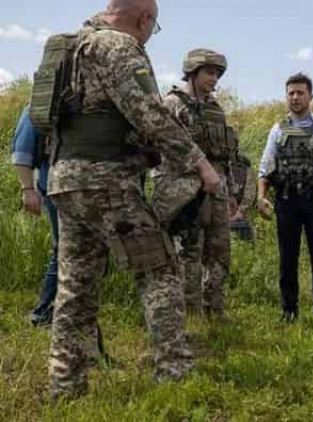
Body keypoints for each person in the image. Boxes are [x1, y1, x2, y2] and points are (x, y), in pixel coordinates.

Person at [40, 0, 221, 399]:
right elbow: (150, 115)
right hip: (107, 180)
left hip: (65, 180)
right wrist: (200, 164)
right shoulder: (117, 47)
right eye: (150, 30)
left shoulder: (72, 47)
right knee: (160, 270)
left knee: (76, 289)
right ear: (144, 20)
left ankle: (65, 389)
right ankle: (174, 376)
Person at [257, 72, 313, 322]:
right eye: (291, 93)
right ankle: (289, 310)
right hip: (286, 200)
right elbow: (265, 165)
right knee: (288, 257)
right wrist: (261, 196)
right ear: (286, 97)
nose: (295, 97)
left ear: (310, 96)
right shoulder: (278, 128)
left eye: (300, 93)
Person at [152, 48, 234, 318]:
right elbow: (163, 147)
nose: (214, 79)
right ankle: (191, 313)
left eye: (217, 74)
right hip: (184, 191)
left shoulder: (215, 110)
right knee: (189, 251)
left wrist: (230, 190)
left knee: (219, 250)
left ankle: (216, 309)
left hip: (217, 190)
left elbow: (227, 154)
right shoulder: (173, 104)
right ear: (193, 72)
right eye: (209, 72)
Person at [11, 106, 59, 327]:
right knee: (64, 249)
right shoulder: (41, 102)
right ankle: (43, 312)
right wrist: (27, 190)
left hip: (92, 189)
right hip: (55, 187)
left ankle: (64, 309)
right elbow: (22, 150)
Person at [229, 143, 257, 242]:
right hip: (223, 212)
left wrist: (240, 212)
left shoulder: (245, 166)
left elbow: (250, 192)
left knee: (247, 240)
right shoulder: (216, 164)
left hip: (243, 212)